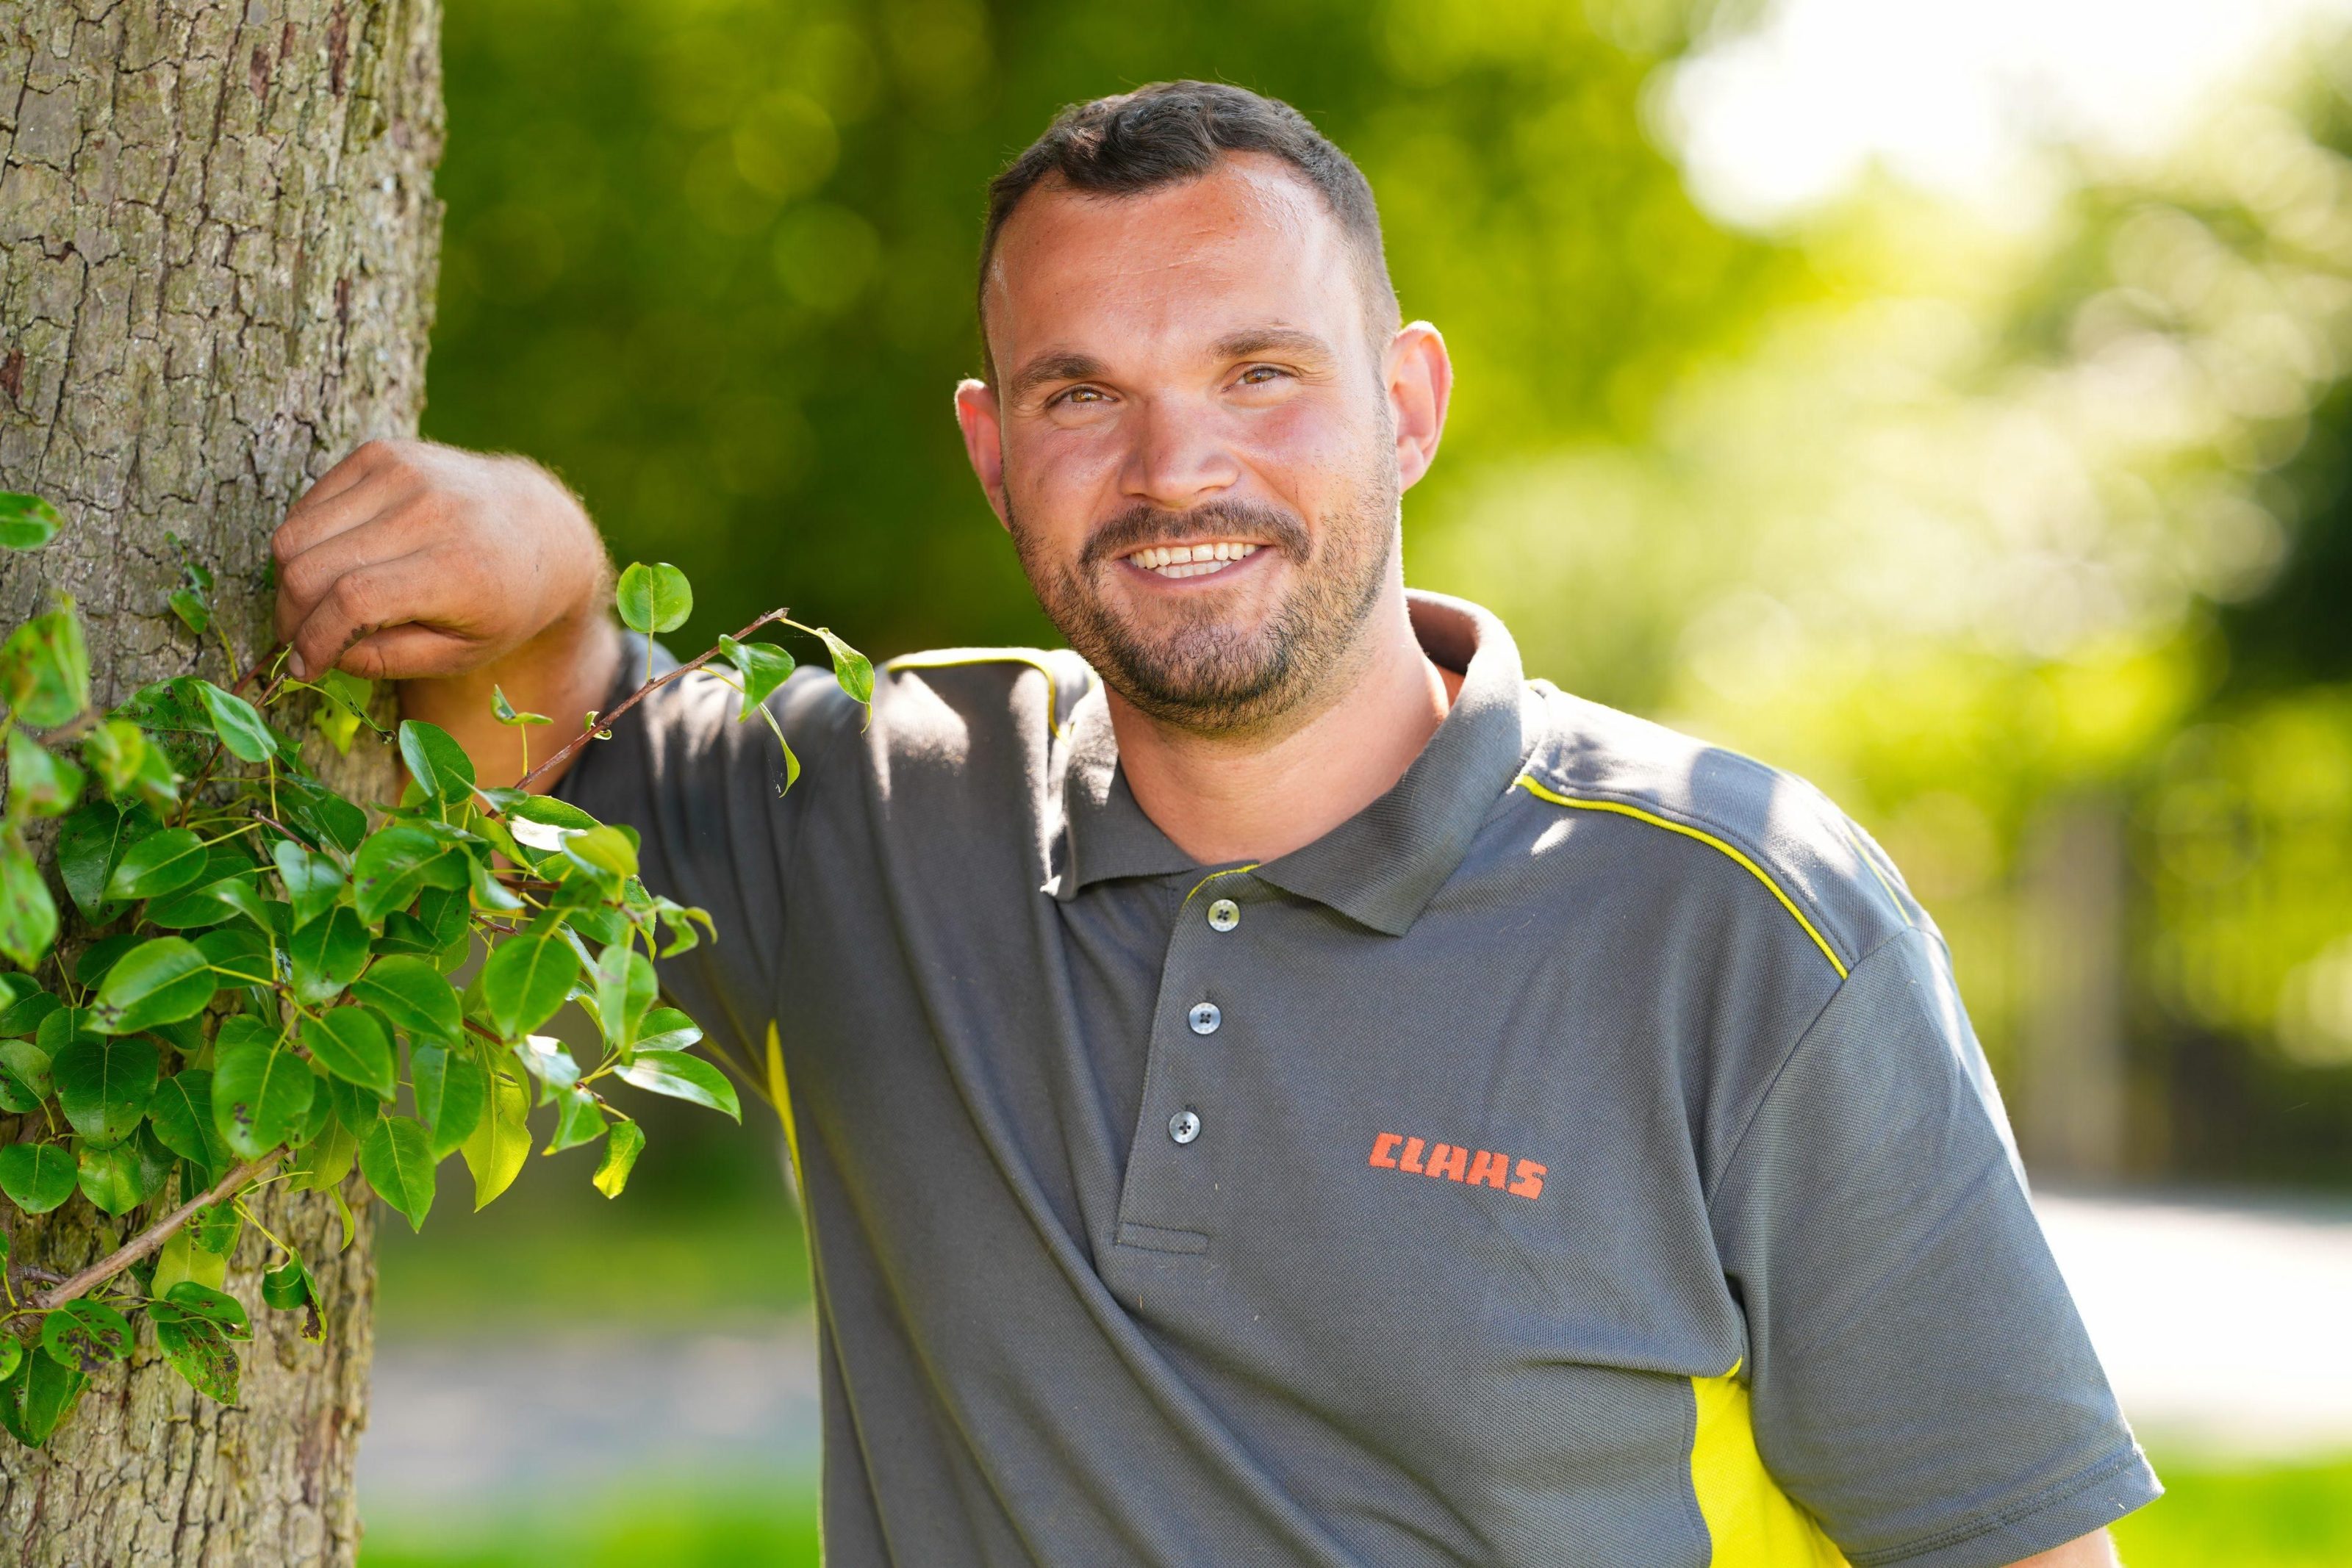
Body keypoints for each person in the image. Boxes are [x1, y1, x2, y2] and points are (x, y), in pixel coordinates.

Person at [270, 82, 2157, 1568]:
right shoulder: (864, 803)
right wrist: (542, 545)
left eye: (1261, 371)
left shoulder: (1743, 919)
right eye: (1083, 392)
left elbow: (2000, 1541)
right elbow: (530, 728)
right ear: (990, 446)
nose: (1179, 470)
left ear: (1405, 402)